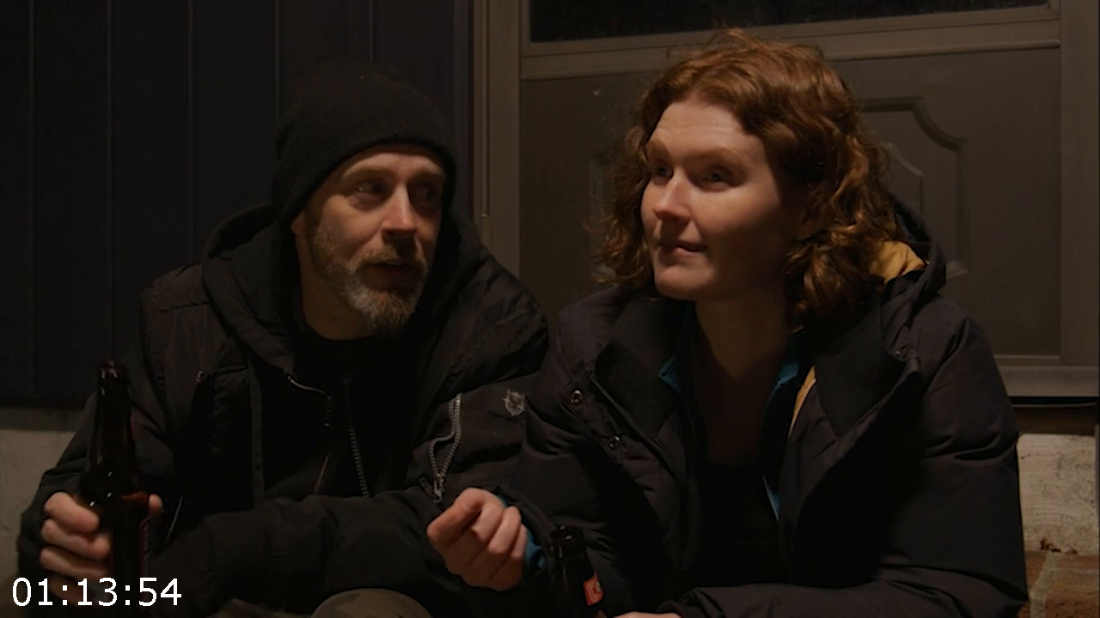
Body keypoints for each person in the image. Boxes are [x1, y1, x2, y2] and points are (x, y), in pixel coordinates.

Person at [428, 29, 1028, 617]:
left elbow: (959, 593)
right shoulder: (592, 349)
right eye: (659, 170)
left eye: (715, 176)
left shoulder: (925, 350)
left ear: (811, 206)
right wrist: (524, 559)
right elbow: (595, 565)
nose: (665, 205)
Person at [18, 58, 548, 616]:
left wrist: (235, 549)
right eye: (370, 189)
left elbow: (450, 526)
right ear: (299, 212)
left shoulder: (490, 328)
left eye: (427, 194)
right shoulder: (189, 321)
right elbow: (89, 483)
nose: (405, 222)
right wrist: (61, 537)